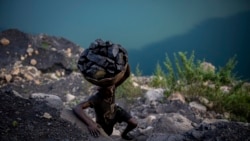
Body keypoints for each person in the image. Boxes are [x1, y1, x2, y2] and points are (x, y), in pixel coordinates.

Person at [73, 65, 137, 140]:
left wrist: (124, 61)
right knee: (107, 134)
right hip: (104, 122)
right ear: (101, 90)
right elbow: (77, 108)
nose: (111, 92)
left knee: (133, 123)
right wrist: (90, 123)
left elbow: (126, 74)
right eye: (108, 90)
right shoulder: (96, 98)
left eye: (112, 88)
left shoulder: (112, 85)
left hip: (116, 112)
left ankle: (124, 135)